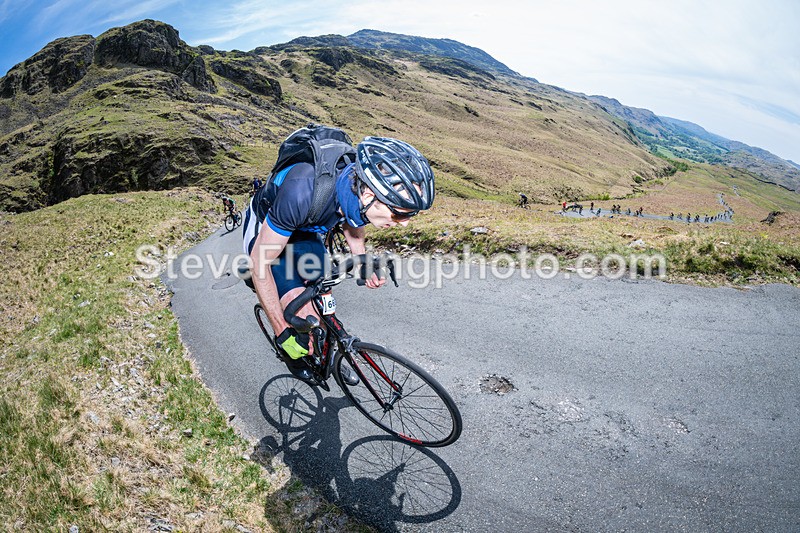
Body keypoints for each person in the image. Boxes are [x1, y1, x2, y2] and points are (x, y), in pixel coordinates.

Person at [243, 135, 434, 384]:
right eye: (399, 213)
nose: (405, 223)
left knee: (324, 300)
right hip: (268, 228)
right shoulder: (302, 190)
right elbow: (259, 266)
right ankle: (293, 355)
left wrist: (362, 261)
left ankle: (329, 356)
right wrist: (281, 331)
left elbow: (353, 220)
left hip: (307, 229)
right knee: (298, 306)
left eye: (411, 214)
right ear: (368, 195)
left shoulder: (359, 188)